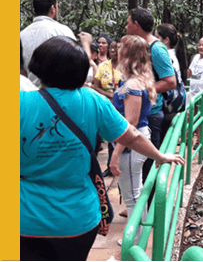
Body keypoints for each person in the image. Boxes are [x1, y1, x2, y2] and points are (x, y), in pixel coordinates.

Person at [20, 36, 184, 262]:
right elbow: (131, 134)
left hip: (25, 219)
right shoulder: (91, 100)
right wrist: (159, 155)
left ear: (39, 66)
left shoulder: (19, 103)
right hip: (78, 219)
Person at [125, 8, 176, 207]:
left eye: (128, 22)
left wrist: (142, 93)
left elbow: (170, 81)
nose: (126, 26)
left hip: (151, 116)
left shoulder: (156, 48)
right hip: (135, 114)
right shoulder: (136, 46)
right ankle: (137, 207)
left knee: (148, 168)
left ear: (136, 25)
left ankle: (148, 213)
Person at [109, 35, 157, 246]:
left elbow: (131, 123)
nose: (116, 51)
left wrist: (116, 153)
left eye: (120, 48)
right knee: (136, 193)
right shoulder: (138, 81)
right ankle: (138, 237)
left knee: (132, 196)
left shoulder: (132, 85)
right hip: (134, 142)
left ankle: (134, 242)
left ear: (125, 54)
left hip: (130, 145)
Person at [20, 0, 76, 87]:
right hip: (58, 94)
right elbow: (76, 64)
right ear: (53, 9)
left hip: (30, 93)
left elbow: (21, 71)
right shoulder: (63, 31)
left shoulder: (21, 34)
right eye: (57, 7)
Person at [94, 38, 122, 177]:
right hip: (106, 105)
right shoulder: (103, 67)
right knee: (110, 136)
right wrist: (109, 95)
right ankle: (110, 167)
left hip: (122, 107)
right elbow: (95, 86)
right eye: (111, 48)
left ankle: (120, 164)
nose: (113, 50)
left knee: (121, 134)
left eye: (116, 48)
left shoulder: (127, 67)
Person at [155, 23, 189, 138]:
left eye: (157, 38)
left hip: (168, 103)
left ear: (166, 40)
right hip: (175, 103)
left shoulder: (164, 56)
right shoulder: (176, 54)